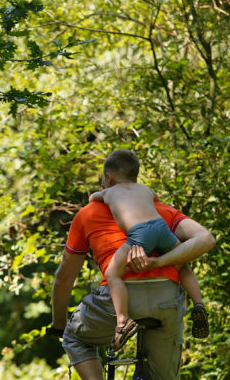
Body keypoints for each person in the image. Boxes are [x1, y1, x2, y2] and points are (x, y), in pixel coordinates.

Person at [50, 148, 215, 380]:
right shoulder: (160, 210)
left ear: (108, 178)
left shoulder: (88, 214)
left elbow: (64, 278)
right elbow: (205, 238)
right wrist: (161, 263)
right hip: (167, 297)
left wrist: (59, 323)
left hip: (117, 300)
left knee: (75, 337)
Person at [88, 150, 209, 350]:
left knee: (112, 273)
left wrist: (101, 193)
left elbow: (94, 198)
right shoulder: (145, 189)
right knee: (182, 266)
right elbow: (156, 197)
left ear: (108, 178)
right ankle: (199, 304)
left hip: (140, 234)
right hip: (161, 228)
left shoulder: (108, 192)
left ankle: (122, 321)